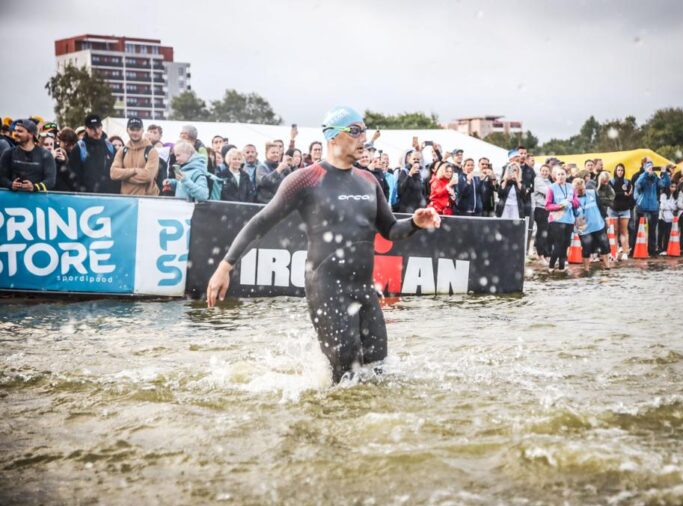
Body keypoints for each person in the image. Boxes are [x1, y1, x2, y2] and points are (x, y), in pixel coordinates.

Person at [205, 106, 441, 383]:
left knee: (378, 371)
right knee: (345, 377)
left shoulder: (368, 181)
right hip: (327, 288)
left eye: (364, 130)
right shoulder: (306, 179)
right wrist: (225, 266)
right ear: (332, 136)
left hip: (364, 290)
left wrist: (414, 222)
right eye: (355, 130)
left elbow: (390, 231)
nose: (363, 137)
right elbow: (260, 222)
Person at [67, 114, 119, 194]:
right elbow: (72, 176)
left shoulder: (110, 147)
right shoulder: (79, 148)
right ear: (86, 129)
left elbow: (116, 173)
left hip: (108, 196)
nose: (96, 131)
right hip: (86, 197)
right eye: (92, 128)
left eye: (98, 127)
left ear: (102, 127)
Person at [0, 118, 56, 192]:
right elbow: (2, 177)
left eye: (20, 131)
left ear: (30, 134)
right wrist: (10, 184)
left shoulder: (45, 155)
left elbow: (51, 181)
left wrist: (34, 187)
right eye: (15, 130)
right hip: (13, 201)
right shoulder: (8, 153)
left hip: (36, 201)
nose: (16, 133)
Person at [109, 117, 160, 196]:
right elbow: (113, 173)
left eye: (138, 129)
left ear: (142, 131)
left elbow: (148, 176)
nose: (135, 132)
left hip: (147, 199)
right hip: (127, 199)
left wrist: (123, 175)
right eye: (132, 129)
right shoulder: (122, 151)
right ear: (127, 130)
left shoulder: (152, 151)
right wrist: (134, 171)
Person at [545, 166, 579, 272]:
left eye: (563, 174)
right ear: (555, 176)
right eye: (558, 174)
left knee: (566, 243)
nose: (561, 176)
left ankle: (561, 267)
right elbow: (547, 206)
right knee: (558, 244)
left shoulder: (571, 187)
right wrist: (559, 206)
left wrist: (571, 203)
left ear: (566, 176)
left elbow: (577, 202)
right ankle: (551, 265)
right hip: (556, 220)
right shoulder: (551, 188)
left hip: (568, 220)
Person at [573, 177, 611, 271]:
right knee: (586, 248)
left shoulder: (592, 193)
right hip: (584, 228)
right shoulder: (573, 199)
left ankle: (607, 266)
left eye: (582, 188)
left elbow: (600, 206)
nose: (581, 191)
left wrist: (606, 218)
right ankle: (586, 269)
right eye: (578, 189)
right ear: (574, 189)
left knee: (604, 245)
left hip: (598, 225)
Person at [634, 162, 670, 256]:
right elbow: (637, 184)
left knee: (652, 230)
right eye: (649, 168)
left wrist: (664, 173)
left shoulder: (656, 178)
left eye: (652, 168)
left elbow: (665, 184)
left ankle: (652, 250)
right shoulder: (642, 177)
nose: (651, 170)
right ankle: (635, 249)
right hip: (642, 207)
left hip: (653, 208)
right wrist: (646, 173)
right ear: (645, 169)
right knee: (638, 229)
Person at [608, 164, 632, 259]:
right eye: (618, 170)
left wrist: (626, 196)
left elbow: (630, 195)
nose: (620, 172)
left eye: (622, 170)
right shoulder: (611, 182)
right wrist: (623, 194)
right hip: (613, 209)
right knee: (614, 232)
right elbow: (611, 195)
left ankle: (625, 252)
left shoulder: (627, 182)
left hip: (625, 209)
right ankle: (615, 252)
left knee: (624, 231)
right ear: (615, 171)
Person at [532, 164, 552, 260]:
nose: (545, 172)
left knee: (546, 232)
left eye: (547, 171)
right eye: (543, 170)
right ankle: (540, 254)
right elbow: (548, 191)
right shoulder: (538, 180)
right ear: (540, 171)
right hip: (540, 209)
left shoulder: (549, 181)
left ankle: (545, 253)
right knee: (542, 232)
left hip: (548, 209)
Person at [658, 183, 678, 255]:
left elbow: (675, 207)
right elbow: (663, 206)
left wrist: (669, 206)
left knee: (667, 233)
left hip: (670, 217)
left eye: (675, 187)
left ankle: (665, 248)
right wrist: (670, 206)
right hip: (662, 216)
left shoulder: (675, 196)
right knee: (661, 233)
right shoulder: (663, 195)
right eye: (671, 186)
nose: (673, 188)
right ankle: (659, 247)